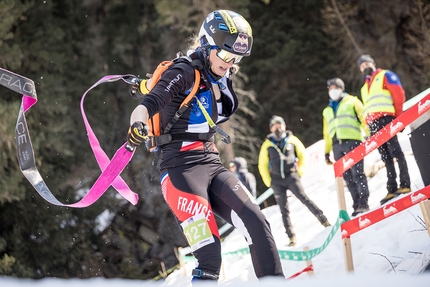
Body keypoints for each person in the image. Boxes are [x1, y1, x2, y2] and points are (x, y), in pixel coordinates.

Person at [126, 10, 284, 282]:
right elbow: (149, 103)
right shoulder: (184, 71)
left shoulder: (221, 73)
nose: (230, 62)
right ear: (206, 44)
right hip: (180, 171)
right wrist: (137, 124)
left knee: (258, 224)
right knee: (210, 255)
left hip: (210, 162)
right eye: (224, 55)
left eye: (235, 58)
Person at [258, 115, 331, 247]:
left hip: (292, 177)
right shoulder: (267, 145)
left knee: (305, 199)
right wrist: (269, 182)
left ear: (284, 126)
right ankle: (291, 237)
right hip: (277, 181)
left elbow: (303, 155)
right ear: (270, 128)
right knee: (283, 210)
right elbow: (262, 164)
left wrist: (299, 172)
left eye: (279, 124)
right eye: (274, 125)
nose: (277, 127)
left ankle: (324, 221)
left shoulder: (292, 140)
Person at [357, 54, 411, 205]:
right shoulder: (364, 88)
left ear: (373, 63)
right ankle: (392, 188)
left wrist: (398, 118)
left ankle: (405, 184)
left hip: (387, 118)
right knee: (385, 157)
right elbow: (367, 108)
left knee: (396, 151)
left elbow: (398, 94)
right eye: (361, 66)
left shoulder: (384, 75)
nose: (364, 67)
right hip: (374, 124)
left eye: (366, 63)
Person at [323, 78, 370, 216]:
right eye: (330, 88)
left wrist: (370, 135)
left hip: (353, 140)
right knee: (347, 176)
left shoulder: (352, 101)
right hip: (337, 145)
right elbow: (326, 133)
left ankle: (363, 201)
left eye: (335, 87)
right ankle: (356, 203)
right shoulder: (327, 110)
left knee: (357, 172)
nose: (332, 91)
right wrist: (327, 151)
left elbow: (364, 118)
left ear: (341, 88)